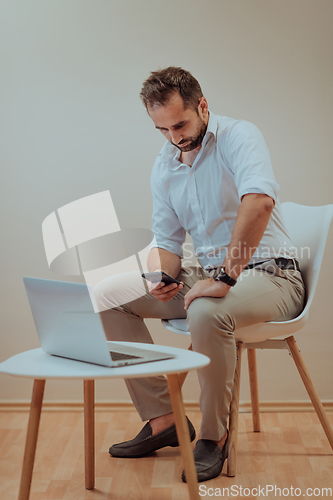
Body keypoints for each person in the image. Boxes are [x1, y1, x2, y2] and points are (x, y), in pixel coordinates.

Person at [94, 66, 305, 482]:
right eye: (162, 129)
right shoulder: (165, 166)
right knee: (107, 295)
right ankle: (164, 420)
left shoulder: (239, 136)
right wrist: (161, 276)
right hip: (208, 273)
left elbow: (259, 202)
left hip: (273, 274)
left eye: (181, 124)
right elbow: (168, 243)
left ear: (202, 106)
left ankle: (213, 438)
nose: (174, 137)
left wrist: (225, 278)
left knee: (206, 311)